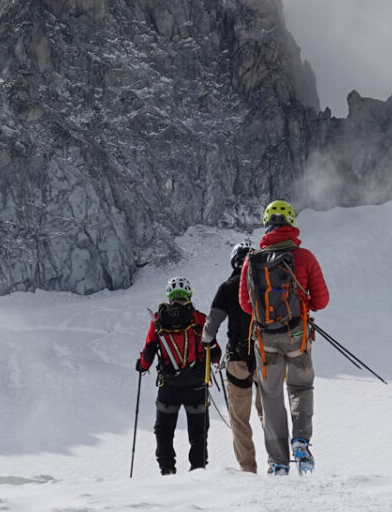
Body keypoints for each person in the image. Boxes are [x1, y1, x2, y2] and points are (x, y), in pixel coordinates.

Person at [238, 200, 329, 475]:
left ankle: (278, 462)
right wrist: (302, 305)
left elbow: (246, 305)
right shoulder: (304, 257)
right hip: (297, 336)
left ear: (266, 224)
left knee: (271, 396)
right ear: (291, 222)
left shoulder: (252, 260)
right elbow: (322, 300)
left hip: (265, 339)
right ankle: (301, 441)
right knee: (301, 387)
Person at [136, 276, 219, 474]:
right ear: (189, 294)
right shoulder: (199, 319)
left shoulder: (158, 320)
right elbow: (215, 354)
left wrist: (141, 365)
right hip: (197, 385)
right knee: (198, 433)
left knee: (164, 430)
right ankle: (198, 469)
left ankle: (167, 469)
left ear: (169, 296)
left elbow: (148, 353)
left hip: (169, 386)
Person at [203, 239, 258, 473]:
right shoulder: (266, 282)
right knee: (270, 413)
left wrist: (208, 344)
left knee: (239, 420)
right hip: (266, 356)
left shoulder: (227, 287)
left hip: (237, 359)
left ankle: (248, 470)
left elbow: (210, 328)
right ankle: (278, 464)